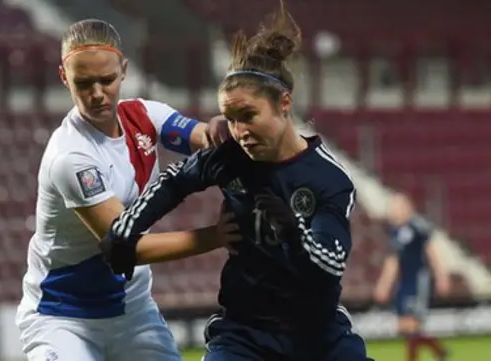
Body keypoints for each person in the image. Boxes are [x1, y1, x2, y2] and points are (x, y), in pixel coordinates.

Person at [100, 2, 374, 360]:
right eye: (230, 118)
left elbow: (330, 267)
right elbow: (175, 181)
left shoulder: (328, 178)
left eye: (248, 116)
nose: (239, 131)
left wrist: (293, 230)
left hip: (317, 335)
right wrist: (125, 230)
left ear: (284, 103)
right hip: (246, 332)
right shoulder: (231, 157)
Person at [15, 19, 238, 361]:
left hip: (132, 313)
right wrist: (218, 236)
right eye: (83, 83)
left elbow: (204, 138)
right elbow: (126, 248)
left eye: (106, 80)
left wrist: (224, 128)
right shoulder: (70, 157)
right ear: (64, 77)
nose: (97, 93)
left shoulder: (146, 115)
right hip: (62, 317)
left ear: (124, 71)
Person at [374, 193, 451, 361]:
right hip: (405, 281)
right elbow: (393, 260)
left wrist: (441, 276)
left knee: (412, 325)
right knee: (404, 326)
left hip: (419, 280)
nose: (394, 210)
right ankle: (438, 349)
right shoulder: (395, 231)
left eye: (398, 206)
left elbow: (432, 252)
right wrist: (384, 285)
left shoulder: (417, 226)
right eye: (393, 207)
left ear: (408, 207)